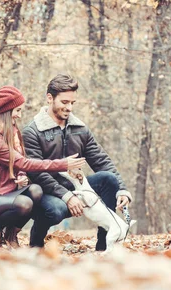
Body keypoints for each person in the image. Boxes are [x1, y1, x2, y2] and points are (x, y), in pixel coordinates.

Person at [22, 74, 132, 251]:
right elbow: (36, 172)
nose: (69, 107)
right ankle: (36, 242)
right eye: (64, 102)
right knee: (55, 210)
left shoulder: (80, 129)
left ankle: (104, 246)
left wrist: (122, 190)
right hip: (45, 192)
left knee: (108, 179)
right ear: (50, 98)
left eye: (72, 103)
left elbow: (101, 160)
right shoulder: (32, 131)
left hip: (76, 188)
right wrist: (68, 197)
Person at [0, 85, 86, 248]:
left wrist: (21, 175)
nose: (19, 116)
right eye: (17, 110)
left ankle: (11, 234)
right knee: (24, 203)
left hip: (7, 195)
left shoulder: (12, 132)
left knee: (36, 190)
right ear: (7, 111)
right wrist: (63, 164)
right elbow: (23, 162)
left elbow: (20, 164)